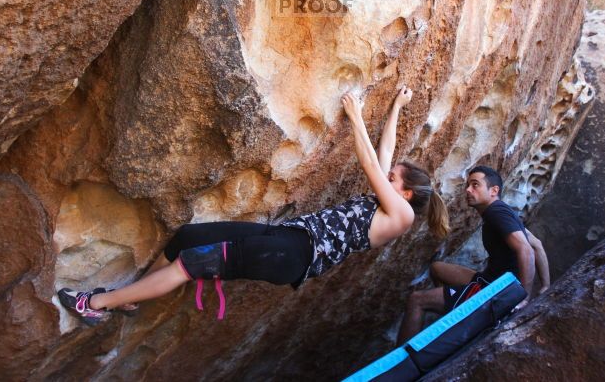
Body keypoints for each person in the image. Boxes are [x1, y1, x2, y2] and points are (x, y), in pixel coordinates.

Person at [58, 86, 449, 325]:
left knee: (189, 266)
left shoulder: (402, 215)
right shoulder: (387, 200)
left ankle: (95, 303)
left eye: (395, 178)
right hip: (286, 236)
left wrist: (355, 114)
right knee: (187, 238)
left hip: (294, 255)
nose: (388, 176)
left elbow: (369, 162)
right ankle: (132, 296)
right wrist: (397, 106)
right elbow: (384, 153)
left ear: (407, 194)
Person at [396, 165, 550, 344]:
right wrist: (546, 286)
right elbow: (537, 245)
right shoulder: (502, 212)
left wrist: (522, 297)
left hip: (492, 290)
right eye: (467, 185)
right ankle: (456, 315)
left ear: (494, 191)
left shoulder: (496, 212)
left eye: (475, 185)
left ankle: (398, 363)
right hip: (487, 279)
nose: (468, 190)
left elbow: (527, 250)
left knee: (417, 300)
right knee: (437, 268)